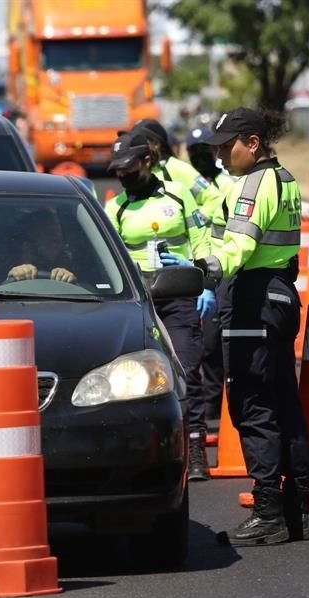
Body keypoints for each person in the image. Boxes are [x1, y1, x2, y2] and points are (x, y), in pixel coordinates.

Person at [160, 107, 309, 546]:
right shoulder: (284, 180)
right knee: (283, 402)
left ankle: (269, 512)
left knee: (252, 402)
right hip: (279, 292)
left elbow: (239, 247)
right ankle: (298, 507)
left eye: (228, 146)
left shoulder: (253, 185)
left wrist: (200, 269)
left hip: (253, 298)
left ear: (253, 143)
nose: (221, 154)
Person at [104, 131, 215, 481]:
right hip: (139, 304)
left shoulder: (178, 196)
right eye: (118, 170)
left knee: (187, 371)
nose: (124, 174)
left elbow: (201, 240)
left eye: (129, 167)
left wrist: (202, 281)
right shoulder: (114, 208)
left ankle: (196, 450)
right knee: (134, 376)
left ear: (147, 162)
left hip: (180, 297)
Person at [186, 126, 235, 420]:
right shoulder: (188, 185)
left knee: (213, 342)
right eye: (193, 152)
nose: (198, 157)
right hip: (190, 267)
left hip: (217, 267)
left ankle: (215, 408)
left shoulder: (227, 185)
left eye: (203, 151)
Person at [6, 211, 77, 284]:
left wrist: (69, 280)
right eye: (51, 240)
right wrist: (12, 278)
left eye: (57, 240)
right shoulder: (0, 272)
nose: (63, 246)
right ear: (27, 246)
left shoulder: (75, 270)